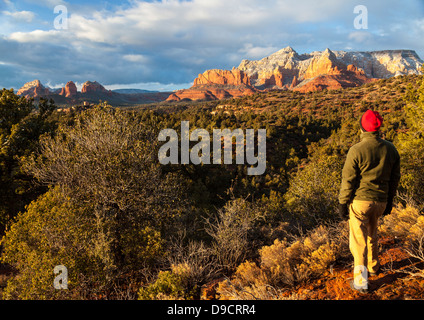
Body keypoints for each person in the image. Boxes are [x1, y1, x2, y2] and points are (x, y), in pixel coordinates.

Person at [338, 110, 401, 293]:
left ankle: (360, 281)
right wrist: (389, 201)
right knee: (373, 233)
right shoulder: (391, 149)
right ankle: (374, 267)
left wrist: (343, 203)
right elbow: (395, 178)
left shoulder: (356, 150)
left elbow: (348, 180)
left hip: (360, 202)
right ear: (379, 127)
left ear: (362, 127)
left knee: (359, 241)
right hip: (380, 201)